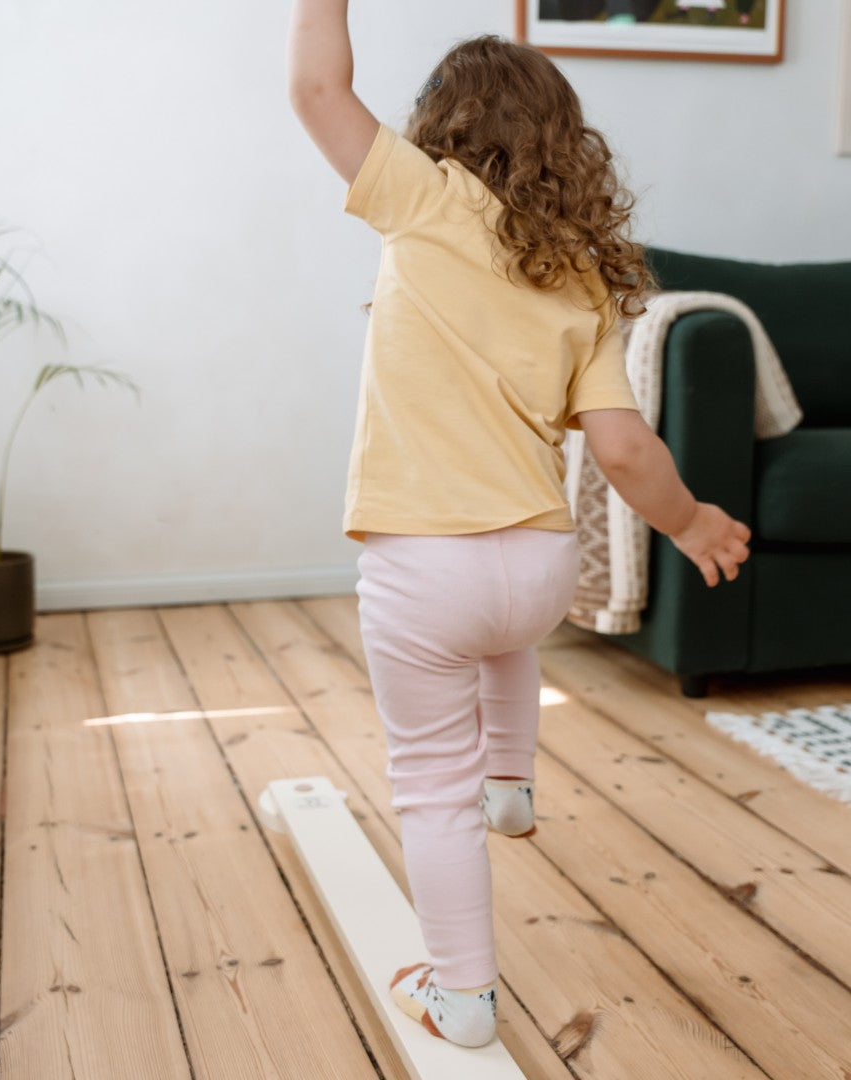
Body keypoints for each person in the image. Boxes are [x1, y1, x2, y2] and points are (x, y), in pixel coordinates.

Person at [287, 4, 750, 1050]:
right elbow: (623, 449)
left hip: (423, 566)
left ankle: (462, 996)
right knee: (500, 639)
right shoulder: (580, 272)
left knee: (427, 788)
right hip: (540, 572)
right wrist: (690, 524)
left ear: (441, 128)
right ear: (563, 145)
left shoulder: (423, 197)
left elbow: (317, 90)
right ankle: (512, 782)